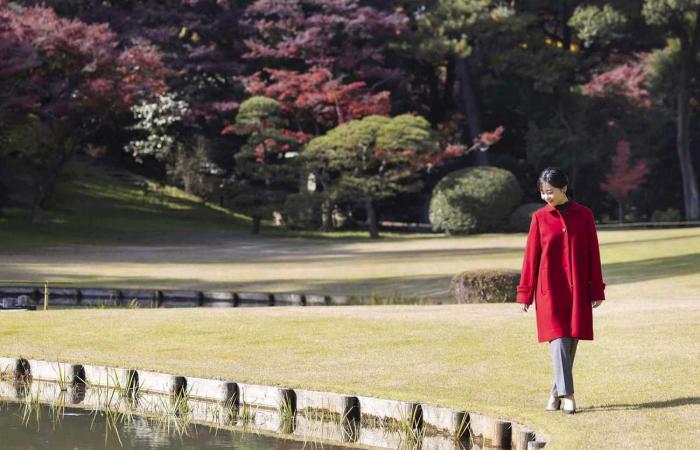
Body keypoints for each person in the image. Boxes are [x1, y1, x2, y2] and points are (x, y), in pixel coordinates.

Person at [516, 167, 606, 415]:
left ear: (564, 188)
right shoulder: (539, 218)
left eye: (550, 192)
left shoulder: (584, 215)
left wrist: (596, 289)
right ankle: (569, 395)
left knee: (570, 343)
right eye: (543, 193)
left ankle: (555, 394)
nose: (547, 197)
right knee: (557, 340)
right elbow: (531, 257)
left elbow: (592, 254)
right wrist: (525, 292)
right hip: (550, 291)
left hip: (578, 289)